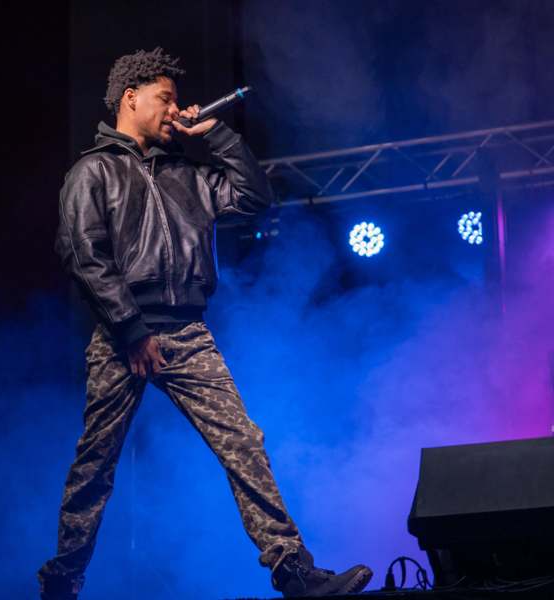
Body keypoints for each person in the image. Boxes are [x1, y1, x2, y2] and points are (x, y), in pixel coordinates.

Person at [38, 47, 372, 599]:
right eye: (164, 99)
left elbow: (253, 197)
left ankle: (292, 570)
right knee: (96, 463)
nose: (174, 109)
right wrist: (132, 332)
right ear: (131, 98)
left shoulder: (188, 176)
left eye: (174, 100)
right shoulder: (91, 171)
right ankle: (63, 581)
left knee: (243, 442)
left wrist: (215, 136)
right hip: (125, 336)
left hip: (187, 334)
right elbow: (84, 257)